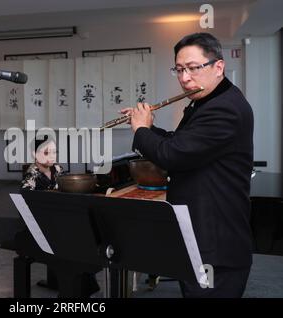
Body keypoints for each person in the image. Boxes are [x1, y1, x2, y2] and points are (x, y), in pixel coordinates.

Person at [121, 32, 254, 298]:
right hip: (201, 238)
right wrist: (149, 129)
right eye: (179, 69)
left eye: (193, 68)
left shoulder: (224, 108)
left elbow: (173, 155)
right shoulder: (205, 102)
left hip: (215, 245)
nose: (184, 78)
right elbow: (181, 142)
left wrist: (142, 131)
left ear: (218, 66)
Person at [20, 136, 100, 296]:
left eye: (54, 152)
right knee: (68, 251)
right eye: (46, 152)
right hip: (41, 223)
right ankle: (69, 292)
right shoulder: (31, 174)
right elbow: (27, 202)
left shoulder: (58, 169)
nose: (51, 156)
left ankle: (79, 287)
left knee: (82, 240)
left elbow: (66, 189)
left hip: (58, 219)